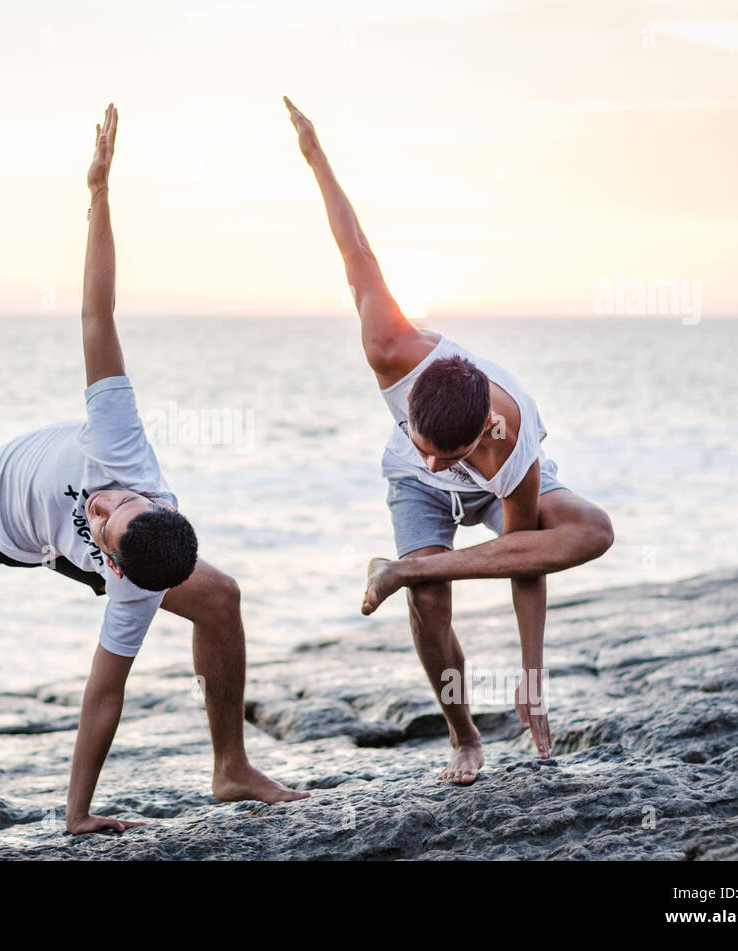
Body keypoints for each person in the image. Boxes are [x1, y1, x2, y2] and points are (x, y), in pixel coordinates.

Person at [0, 104, 307, 860]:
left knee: (218, 597)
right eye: (114, 500)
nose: (101, 502)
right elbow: (97, 311)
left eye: (106, 523)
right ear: (143, 495)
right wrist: (98, 192)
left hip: (63, 550)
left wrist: (76, 815)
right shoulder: (120, 441)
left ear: (116, 564)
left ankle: (230, 766)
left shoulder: (135, 581)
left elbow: (103, 694)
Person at [283, 96, 615, 785]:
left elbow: (527, 562)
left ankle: (405, 567)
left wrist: (533, 678)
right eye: (422, 438)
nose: (437, 459)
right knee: (429, 605)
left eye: (449, 453)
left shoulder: (514, 445)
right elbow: (356, 250)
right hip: (412, 494)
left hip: (496, 491)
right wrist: (316, 156)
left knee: (593, 529)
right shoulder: (391, 346)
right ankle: (463, 734)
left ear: (485, 432)